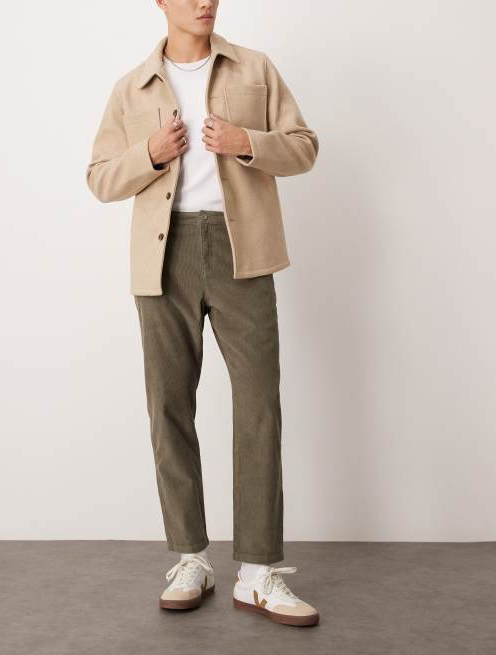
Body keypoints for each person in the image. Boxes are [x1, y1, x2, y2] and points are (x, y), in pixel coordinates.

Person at [86, 0, 319, 627]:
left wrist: (248, 143)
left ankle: (257, 571)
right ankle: (191, 557)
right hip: (165, 254)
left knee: (259, 405)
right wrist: (151, 153)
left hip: (245, 250)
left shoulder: (255, 68)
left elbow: (304, 148)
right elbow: (100, 178)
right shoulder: (132, 87)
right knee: (169, 407)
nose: (204, 1)